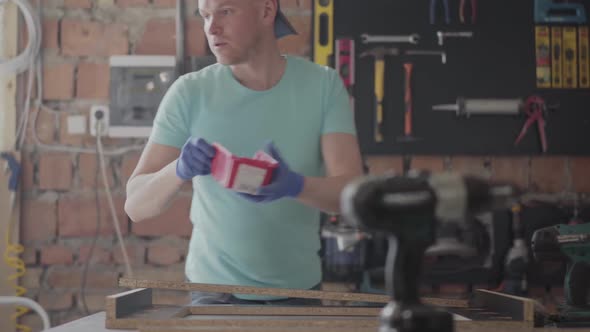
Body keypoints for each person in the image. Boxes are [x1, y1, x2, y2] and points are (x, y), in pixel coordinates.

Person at [124, 0, 363, 305]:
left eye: (225, 11)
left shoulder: (323, 86)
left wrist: (295, 185)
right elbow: (135, 205)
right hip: (214, 296)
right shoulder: (189, 92)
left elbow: (352, 196)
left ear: (266, 10)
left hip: (298, 293)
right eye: (205, 16)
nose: (212, 28)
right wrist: (179, 169)